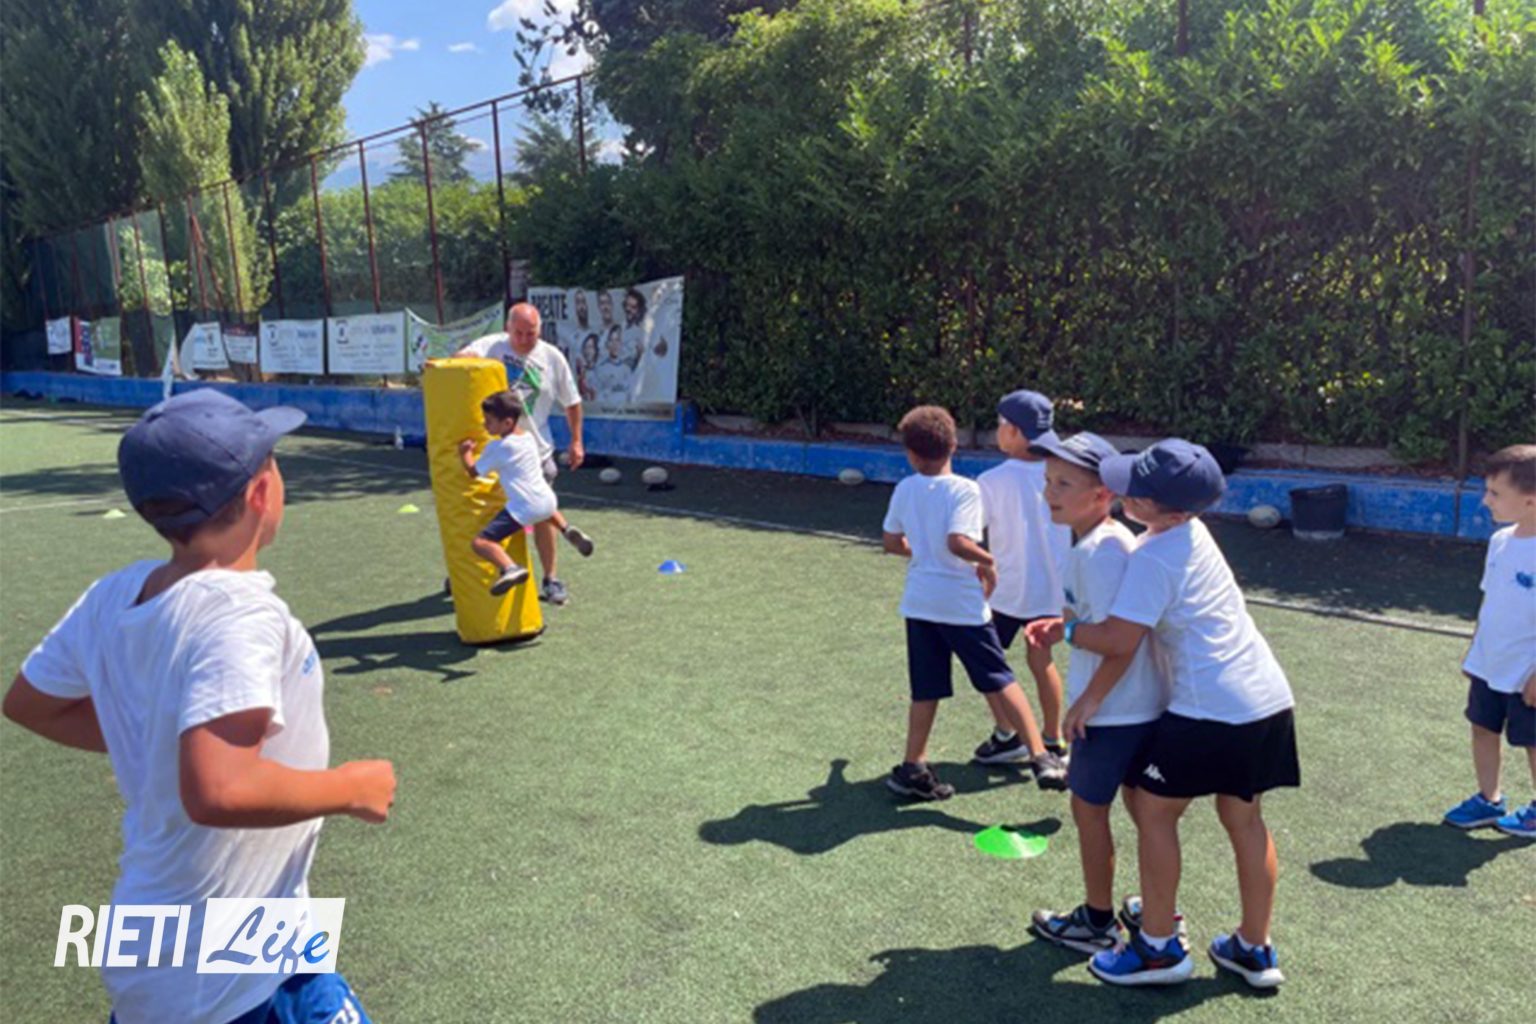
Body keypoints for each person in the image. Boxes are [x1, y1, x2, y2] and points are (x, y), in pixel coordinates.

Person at [2, 389, 396, 1024]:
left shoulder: (114, 594)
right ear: (262, 491)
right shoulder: (239, 613)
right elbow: (220, 789)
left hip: (193, 942)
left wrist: (160, 732)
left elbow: (30, 703)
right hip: (226, 976)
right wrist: (351, 787)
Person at [1067, 440, 1298, 990]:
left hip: (1209, 708)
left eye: (1136, 492)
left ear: (1168, 512)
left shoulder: (1153, 555)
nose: (1123, 492)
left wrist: (1068, 626)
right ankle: (1254, 946)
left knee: (1153, 810)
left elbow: (1118, 640)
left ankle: (1157, 949)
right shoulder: (1193, 531)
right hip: (1265, 699)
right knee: (1244, 819)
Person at [1022, 432, 1171, 954]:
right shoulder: (1097, 541)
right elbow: (1098, 624)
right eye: (1047, 481)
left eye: (1064, 484)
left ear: (1103, 494)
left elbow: (1119, 641)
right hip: (1131, 707)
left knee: (1089, 810)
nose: (1050, 492)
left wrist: (1089, 701)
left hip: (1113, 714)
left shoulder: (1102, 551)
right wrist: (1059, 625)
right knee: (1140, 811)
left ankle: (1097, 920)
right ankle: (1154, 910)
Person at [881, 405, 1068, 801]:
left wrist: (924, 552)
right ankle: (1041, 755)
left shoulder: (904, 489)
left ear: (910, 454)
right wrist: (987, 561)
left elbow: (892, 543)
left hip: (919, 604)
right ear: (954, 445)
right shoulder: (966, 489)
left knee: (925, 689)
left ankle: (913, 765)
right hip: (961, 605)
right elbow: (958, 542)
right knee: (1001, 676)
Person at [453, 303, 586, 606]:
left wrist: (577, 441)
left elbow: (572, 402)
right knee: (484, 510)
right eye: (519, 333)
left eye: (531, 333)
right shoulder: (492, 346)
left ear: (540, 330)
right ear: (508, 328)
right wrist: (447, 365)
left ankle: (551, 579)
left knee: (539, 515)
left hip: (535, 451)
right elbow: (463, 357)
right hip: (496, 452)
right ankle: (472, 573)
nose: (525, 339)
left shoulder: (552, 357)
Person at [1442, 444, 1536, 838]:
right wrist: (1476, 653)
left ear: (1531, 501)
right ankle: (1489, 798)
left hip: (1527, 673)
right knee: (1482, 727)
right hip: (1491, 663)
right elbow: (1491, 601)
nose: (1485, 501)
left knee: (1533, 742)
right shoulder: (1500, 542)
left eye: (1495, 493)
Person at [973, 390, 1071, 765]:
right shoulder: (1063, 476)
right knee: (1041, 662)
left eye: (1000, 425)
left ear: (1012, 430)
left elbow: (972, 534)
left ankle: (1007, 733)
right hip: (1051, 592)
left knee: (985, 664)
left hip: (1003, 593)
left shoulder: (991, 481)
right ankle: (1053, 739)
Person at [461, 390, 595, 595]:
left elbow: (473, 472)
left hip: (524, 508)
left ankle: (509, 567)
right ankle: (566, 529)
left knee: (480, 542)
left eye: (489, 421)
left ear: (507, 423)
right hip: (548, 501)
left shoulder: (498, 447)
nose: (485, 425)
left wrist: (465, 454)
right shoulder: (528, 437)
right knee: (544, 508)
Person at [591, 324, 634, 405]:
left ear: (621, 343)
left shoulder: (627, 369)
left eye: (617, 340)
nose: (614, 344)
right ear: (607, 344)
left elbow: (631, 395)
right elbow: (597, 397)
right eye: (611, 340)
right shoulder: (600, 369)